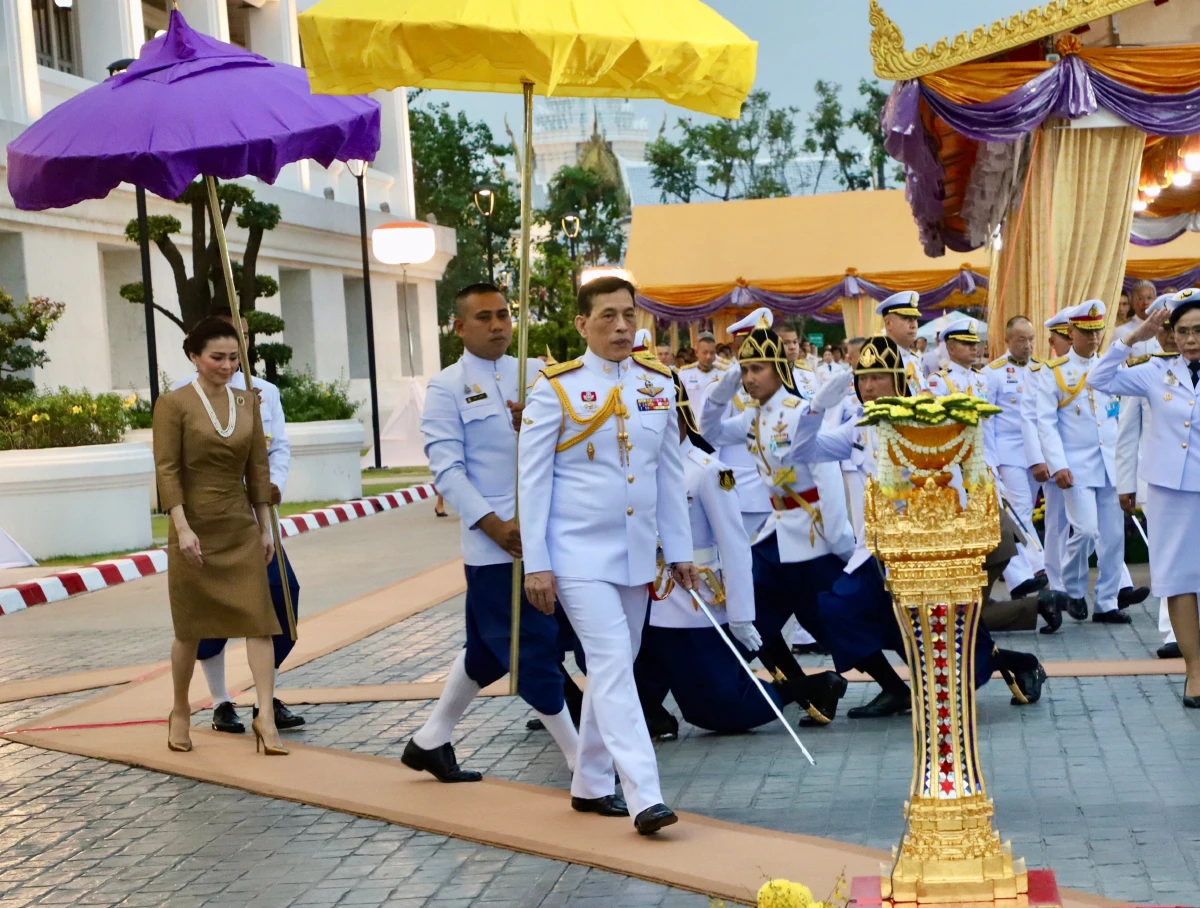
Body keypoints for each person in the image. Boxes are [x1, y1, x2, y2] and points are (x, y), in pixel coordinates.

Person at [519, 275, 696, 835]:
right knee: (615, 663)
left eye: (629, 315)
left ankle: (590, 783)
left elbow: (668, 474)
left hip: (637, 553)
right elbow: (533, 481)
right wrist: (537, 563)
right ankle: (645, 793)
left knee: (612, 668)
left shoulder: (659, 384)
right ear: (582, 325)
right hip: (575, 554)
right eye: (607, 317)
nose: (622, 327)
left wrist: (681, 550)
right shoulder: (557, 388)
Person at [794, 335, 1047, 713]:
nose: (869, 386)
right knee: (837, 612)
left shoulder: (930, 417)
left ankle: (1019, 663)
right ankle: (895, 688)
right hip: (877, 551)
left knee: (950, 640)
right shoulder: (861, 427)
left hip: (931, 550)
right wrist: (815, 408)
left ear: (898, 378)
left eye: (878, 377)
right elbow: (801, 452)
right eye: (863, 378)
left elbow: (961, 480)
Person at [403, 283, 577, 782]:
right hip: (495, 544)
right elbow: (448, 471)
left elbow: (573, 444)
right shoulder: (447, 387)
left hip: (545, 530)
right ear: (459, 327)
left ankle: (430, 740)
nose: (498, 324)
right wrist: (494, 526)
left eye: (504, 314)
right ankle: (582, 758)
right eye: (484, 317)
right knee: (531, 648)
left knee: (487, 649)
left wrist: (544, 424)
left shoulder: (540, 374)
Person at [699, 309, 857, 724]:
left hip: (813, 538)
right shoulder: (752, 416)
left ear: (779, 368)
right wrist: (723, 388)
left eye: (757, 368)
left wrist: (841, 542)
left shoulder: (796, 410)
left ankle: (907, 685)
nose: (750, 377)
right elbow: (708, 432)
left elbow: (825, 475)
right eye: (745, 369)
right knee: (753, 617)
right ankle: (806, 690)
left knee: (841, 627)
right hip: (775, 535)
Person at [154, 318, 286, 756]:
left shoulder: (249, 401)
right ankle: (179, 710)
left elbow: (258, 469)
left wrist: (264, 526)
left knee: (260, 621)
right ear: (194, 356)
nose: (227, 365)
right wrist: (182, 526)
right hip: (192, 527)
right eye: (218, 357)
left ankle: (265, 717)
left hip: (239, 523)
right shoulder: (173, 404)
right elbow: (167, 469)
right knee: (189, 628)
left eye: (234, 357)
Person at [635, 374, 782, 736]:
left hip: (691, 603)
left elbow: (735, 548)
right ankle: (649, 716)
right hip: (642, 599)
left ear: (682, 417)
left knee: (717, 709)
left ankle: (800, 690)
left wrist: (741, 615)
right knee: (623, 677)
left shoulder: (708, 472)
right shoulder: (636, 470)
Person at [1088, 289, 1200, 707]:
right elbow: (1099, 379)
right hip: (1171, 491)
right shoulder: (1154, 371)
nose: (1190, 340)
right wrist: (1133, 337)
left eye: (1198, 331)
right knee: (1179, 581)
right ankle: (1194, 671)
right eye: (1182, 331)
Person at [1035, 301, 1130, 625]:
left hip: (1111, 463)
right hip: (1076, 468)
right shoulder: (1054, 372)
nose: (1093, 338)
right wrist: (1057, 464)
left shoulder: (1111, 366)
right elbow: (1045, 423)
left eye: (1097, 331)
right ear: (1071, 331)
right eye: (1086, 332)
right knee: (1086, 531)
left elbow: (1122, 416)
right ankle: (1074, 590)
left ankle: (1107, 601)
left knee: (1114, 536)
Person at [1116, 295, 1182, 658]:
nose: (1173, 336)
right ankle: (1173, 630)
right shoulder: (1143, 369)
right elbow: (1127, 431)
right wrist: (1126, 482)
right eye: (1167, 328)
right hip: (1160, 480)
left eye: (1182, 328)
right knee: (1167, 555)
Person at [983, 316, 1049, 603]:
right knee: (1020, 509)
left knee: (1026, 510)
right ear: (1008, 340)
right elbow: (986, 420)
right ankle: (1028, 572)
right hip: (1007, 451)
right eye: (1021, 339)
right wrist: (990, 459)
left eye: (1031, 338)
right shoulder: (993, 372)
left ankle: (1034, 570)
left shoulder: (1043, 370)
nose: (1027, 345)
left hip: (1037, 452)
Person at [926, 318, 988, 399]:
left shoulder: (982, 377)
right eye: (967, 343)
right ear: (951, 349)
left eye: (975, 343)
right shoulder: (939, 380)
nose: (974, 348)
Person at [877, 292, 926, 393]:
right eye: (906, 318)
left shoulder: (914, 359)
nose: (913, 325)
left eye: (915, 319)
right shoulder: (880, 360)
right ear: (888, 323)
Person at [678, 331, 727, 402]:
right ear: (696, 352)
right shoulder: (685, 373)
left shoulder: (723, 373)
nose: (708, 356)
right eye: (705, 352)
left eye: (712, 353)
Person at [1114, 280, 1158, 352]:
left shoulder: (1163, 330)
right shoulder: (1120, 331)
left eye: (1149, 298)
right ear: (1132, 304)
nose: (1145, 302)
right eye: (1140, 298)